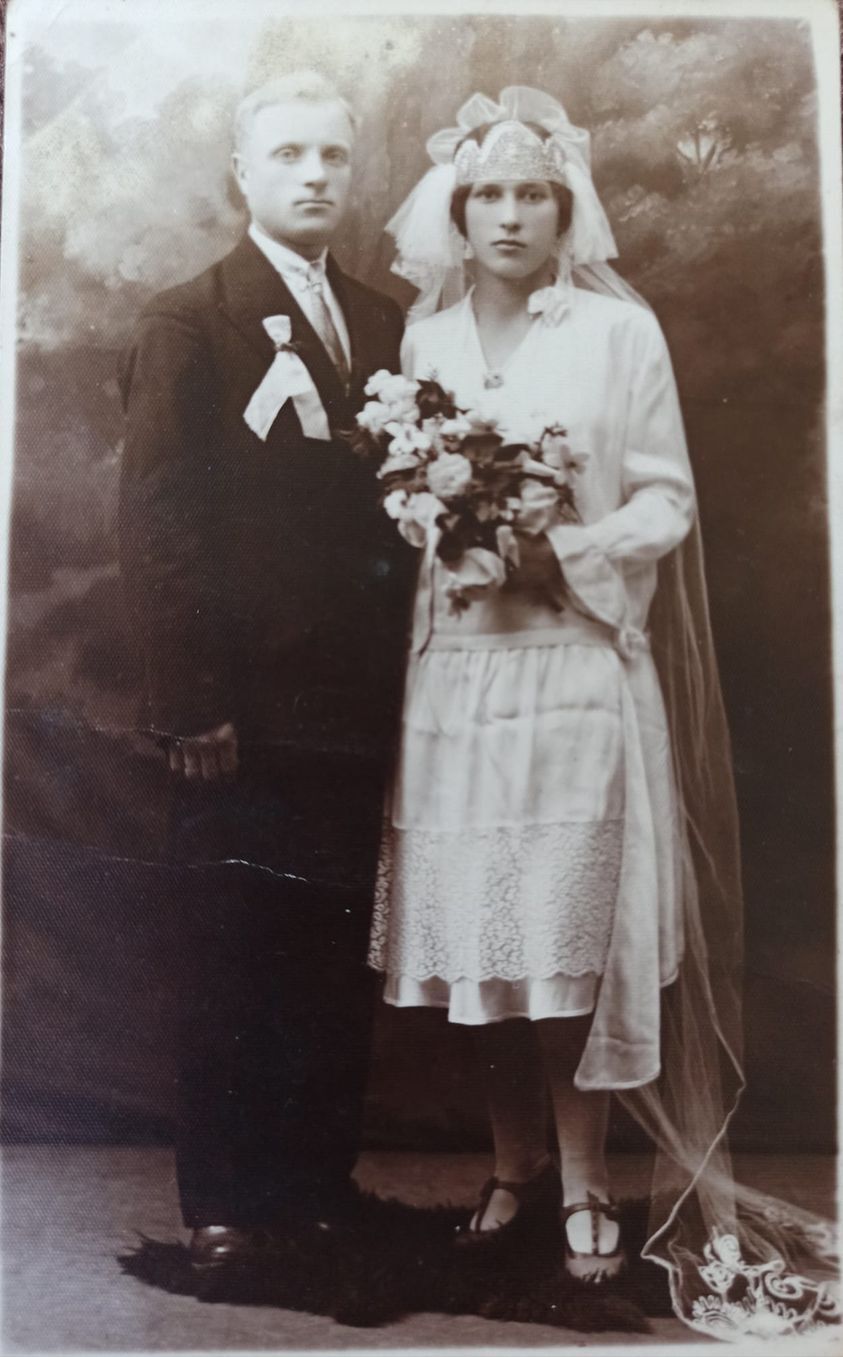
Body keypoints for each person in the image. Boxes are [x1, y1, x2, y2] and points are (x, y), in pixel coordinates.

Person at [369, 87, 838, 1339]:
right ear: (457, 216)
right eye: (488, 196)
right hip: (460, 670)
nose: (510, 215)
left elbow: (667, 497)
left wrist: (564, 547)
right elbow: (402, 514)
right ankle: (513, 1164)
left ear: (567, 209)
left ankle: (585, 1187)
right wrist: (451, 538)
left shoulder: (619, 337)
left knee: (565, 936)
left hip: (574, 663)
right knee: (484, 937)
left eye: (534, 194)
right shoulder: (423, 342)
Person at [118, 71, 413, 1273]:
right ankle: (229, 1203)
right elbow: (158, 522)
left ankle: (315, 1180)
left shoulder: (388, 322)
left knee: (332, 952)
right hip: (238, 708)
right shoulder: (190, 318)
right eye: (287, 155)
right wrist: (191, 699)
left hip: (356, 704)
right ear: (243, 174)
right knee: (234, 946)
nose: (313, 177)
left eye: (332, 157)